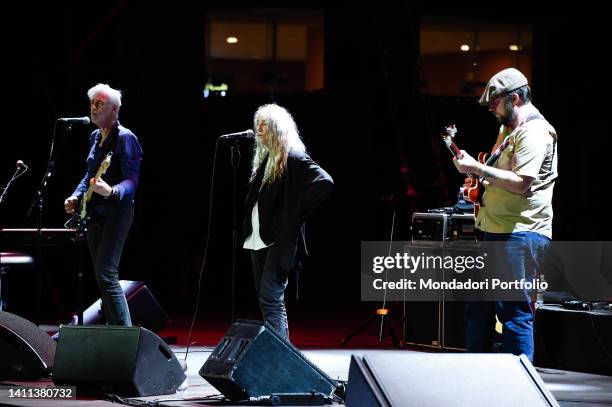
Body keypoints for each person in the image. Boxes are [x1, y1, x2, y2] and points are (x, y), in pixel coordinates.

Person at [453, 68, 558, 361]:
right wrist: (476, 188)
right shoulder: (508, 129)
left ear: (514, 98)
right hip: (495, 230)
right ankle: (480, 380)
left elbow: (522, 183)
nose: (491, 109)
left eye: (495, 102)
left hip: (520, 234)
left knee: (513, 314)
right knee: (478, 310)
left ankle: (519, 392)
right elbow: (501, 175)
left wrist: (476, 168)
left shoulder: (535, 132)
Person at [243, 103, 333, 340]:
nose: (259, 129)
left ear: (277, 128)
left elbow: (324, 181)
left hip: (279, 239)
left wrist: (295, 214)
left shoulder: (292, 156)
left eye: (265, 124)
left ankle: (279, 356)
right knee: (267, 298)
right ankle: (279, 350)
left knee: (270, 296)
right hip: (258, 237)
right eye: (258, 124)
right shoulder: (266, 162)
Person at [64, 83, 143, 326]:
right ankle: (113, 328)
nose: (94, 108)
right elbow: (88, 174)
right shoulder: (95, 136)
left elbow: (132, 180)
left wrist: (112, 191)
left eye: (100, 104)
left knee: (107, 273)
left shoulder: (126, 138)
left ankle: (125, 334)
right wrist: (77, 195)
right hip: (95, 213)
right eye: (92, 104)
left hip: (118, 212)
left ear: (115, 110)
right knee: (101, 276)